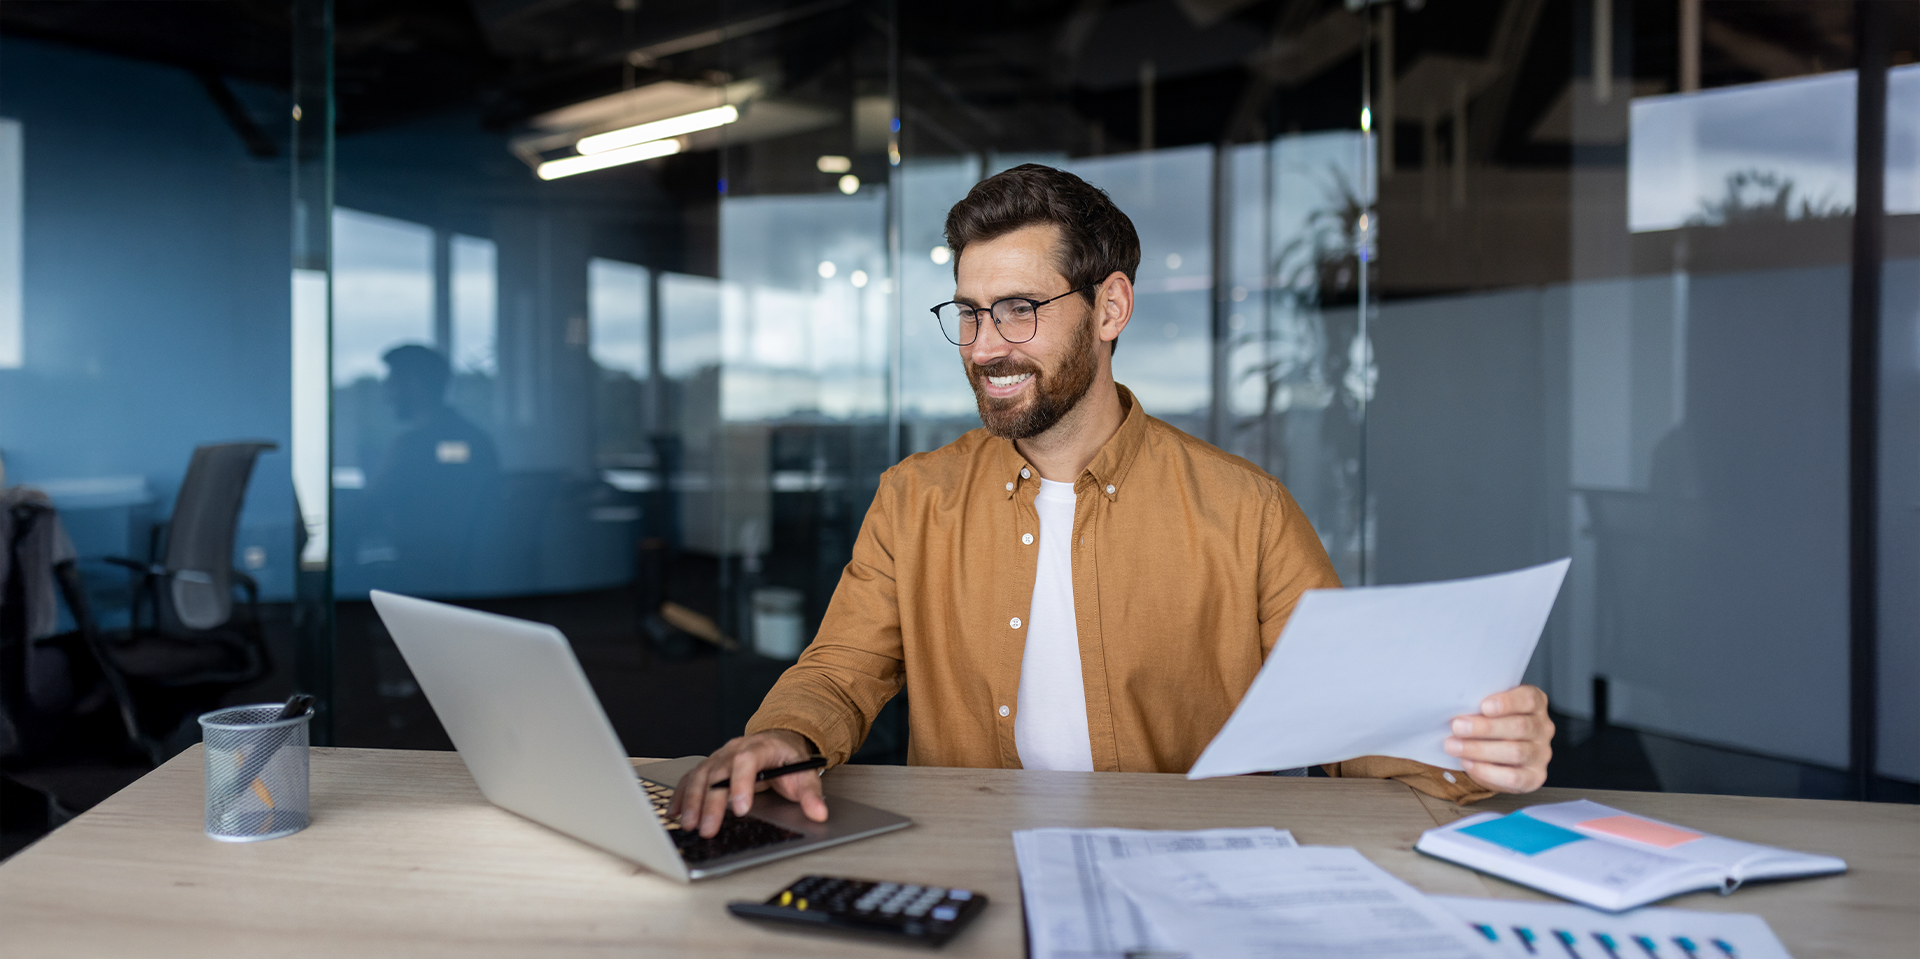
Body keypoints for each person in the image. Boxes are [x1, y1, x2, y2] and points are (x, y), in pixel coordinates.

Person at [670, 165, 1553, 837]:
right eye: (970, 313)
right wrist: (783, 736)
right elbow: (838, 672)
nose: (984, 346)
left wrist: (1475, 750)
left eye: (1019, 309)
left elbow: (1354, 715)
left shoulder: (1245, 511)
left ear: (1110, 307)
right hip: (975, 855)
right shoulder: (915, 499)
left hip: (1189, 873)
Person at [365, 344, 500, 592]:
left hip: (421, 581)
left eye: (392, 382)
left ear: (415, 385)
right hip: (471, 580)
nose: (387, 395)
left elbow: (372, 505)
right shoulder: (477, 439)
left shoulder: (411, 447)